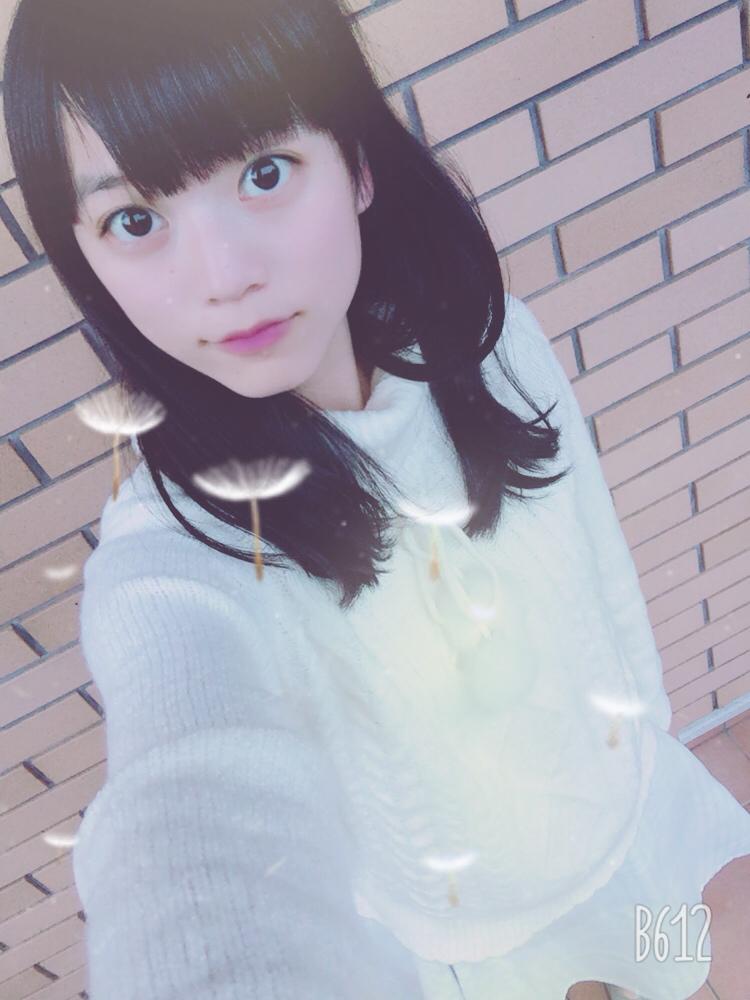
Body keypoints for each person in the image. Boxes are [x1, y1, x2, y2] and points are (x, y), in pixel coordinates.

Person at [4, 1, 750, 997]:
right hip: (466, 937)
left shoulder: (492, 345)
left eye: (265, 172)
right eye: (135, 220)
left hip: (631, 832)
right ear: (86, 259)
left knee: (676, 970)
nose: (225, 277)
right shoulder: (179, 546)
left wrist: (644, 738)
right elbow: (186, 808)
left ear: (355, 162)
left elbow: (597, 564)